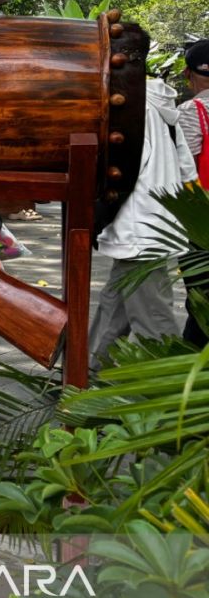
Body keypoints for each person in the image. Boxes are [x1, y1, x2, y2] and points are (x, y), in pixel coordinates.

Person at [89, 78, 197, 370]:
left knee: (153, 321)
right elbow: (188, 169)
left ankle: (174, 394)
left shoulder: (132, 109)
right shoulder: (163, 106)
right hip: (154, 223)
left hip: (140, 228)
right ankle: (85, 379)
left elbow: (117, 172)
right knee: (114, 309)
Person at [175, 39, 209, 346]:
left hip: (202, 224)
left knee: (200, 299)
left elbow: (183, 169)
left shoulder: (192, 111)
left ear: (188, 74)